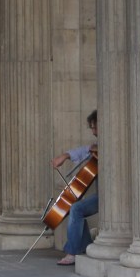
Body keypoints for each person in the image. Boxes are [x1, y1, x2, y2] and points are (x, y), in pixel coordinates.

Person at [51, 109, 98, 266]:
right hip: (101, 195)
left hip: (112, 196)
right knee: (76, 208)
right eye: (91, 128)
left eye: (95, 127)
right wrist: (64, 156)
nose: (93, 132)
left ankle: (72, 252)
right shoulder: (96, 146)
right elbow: (83, 151)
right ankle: (84, 244)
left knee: (77, 208)